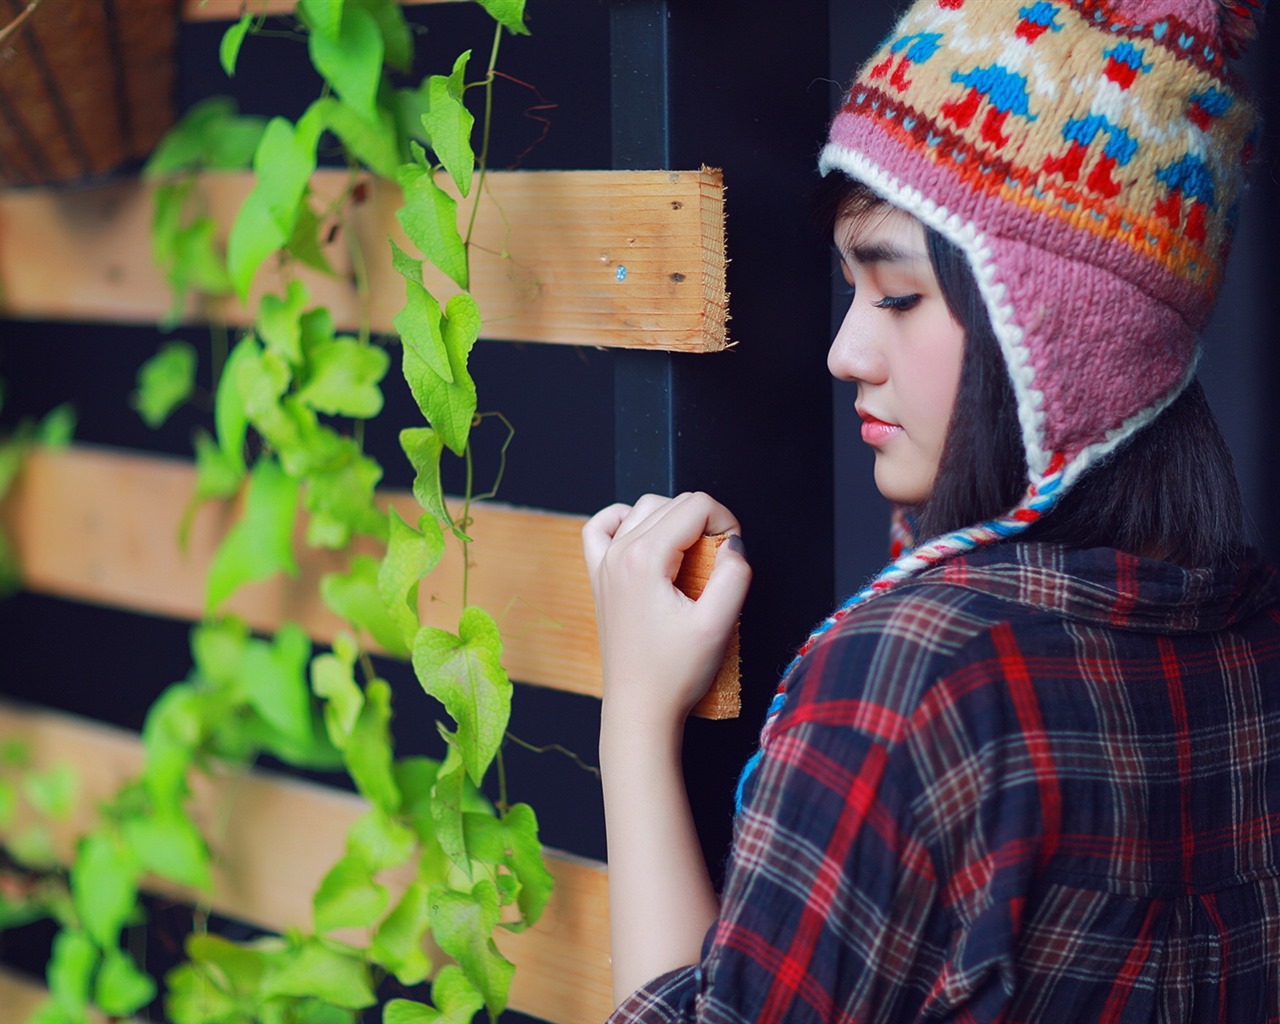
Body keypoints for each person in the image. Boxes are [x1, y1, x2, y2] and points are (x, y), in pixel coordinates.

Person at [583, 0, 1280, 1021]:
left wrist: (634, 717)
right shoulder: (1248, 642)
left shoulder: (908, 678)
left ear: (1056, 332)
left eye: (896, 295)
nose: (842, 352)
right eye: (848, 289)